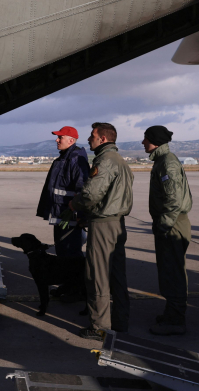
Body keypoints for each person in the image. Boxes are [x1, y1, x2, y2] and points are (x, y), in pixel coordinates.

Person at [68, 122, 133, 341]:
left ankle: (100, 327)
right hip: (118, 223)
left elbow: (91, 195)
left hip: (104, 223)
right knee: (117, 274)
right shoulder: (120, 161)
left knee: (97, 275)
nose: (89, 139)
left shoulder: (104, 161)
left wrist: (74, 204)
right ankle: (121, 320)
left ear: (103, 139)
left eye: (92, 136)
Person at [142, 125, 192, 336]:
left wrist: (163, 226)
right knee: (169, 270)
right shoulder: (162, 161)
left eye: (145, 139)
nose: (142, 143)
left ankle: (175, 320)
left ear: (154, 141)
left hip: (172, 224)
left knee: (173, 272)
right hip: (169, 222)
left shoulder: (167, 163)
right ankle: (172, 313)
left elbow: (173, 200)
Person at [36, 126, 90, 259]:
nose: (56, 140)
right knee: (62, 253)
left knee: (71, 255)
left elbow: (83, 189)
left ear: (71, 141)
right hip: (61, 215)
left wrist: (81, 216)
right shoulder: (62, 159)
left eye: (60, 137)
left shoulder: (76, 160)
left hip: (70, 217)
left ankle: (75, 280)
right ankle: (68, 279)